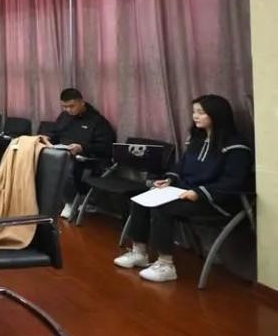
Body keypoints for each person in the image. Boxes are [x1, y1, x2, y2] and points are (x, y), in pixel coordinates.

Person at [113, 95, 253, 283]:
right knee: (141, 199)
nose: (195, 116)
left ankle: (166, 264)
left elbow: (233, 182)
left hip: (216, 202)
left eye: (201, 112)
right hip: (185, 193)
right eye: (194, 112)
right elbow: (180, 167)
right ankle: (139, 252)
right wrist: (169, 180)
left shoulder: (236, 146)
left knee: (163, 208)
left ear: (217, 114)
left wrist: (199, 193)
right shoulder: (195, 140)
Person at [39, 88, 117, 217]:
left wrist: (82, 148)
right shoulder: (65, 117)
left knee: (68, 164)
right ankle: (42, 197)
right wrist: (47, 138)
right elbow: (55, 133)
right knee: (37, 156)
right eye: (65, 107)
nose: (68, 110)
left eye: (71, 106)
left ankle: (69, 202)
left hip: (87, 159)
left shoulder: (97, 121)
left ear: (82, 102)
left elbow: (106, 147)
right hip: (61, 152)